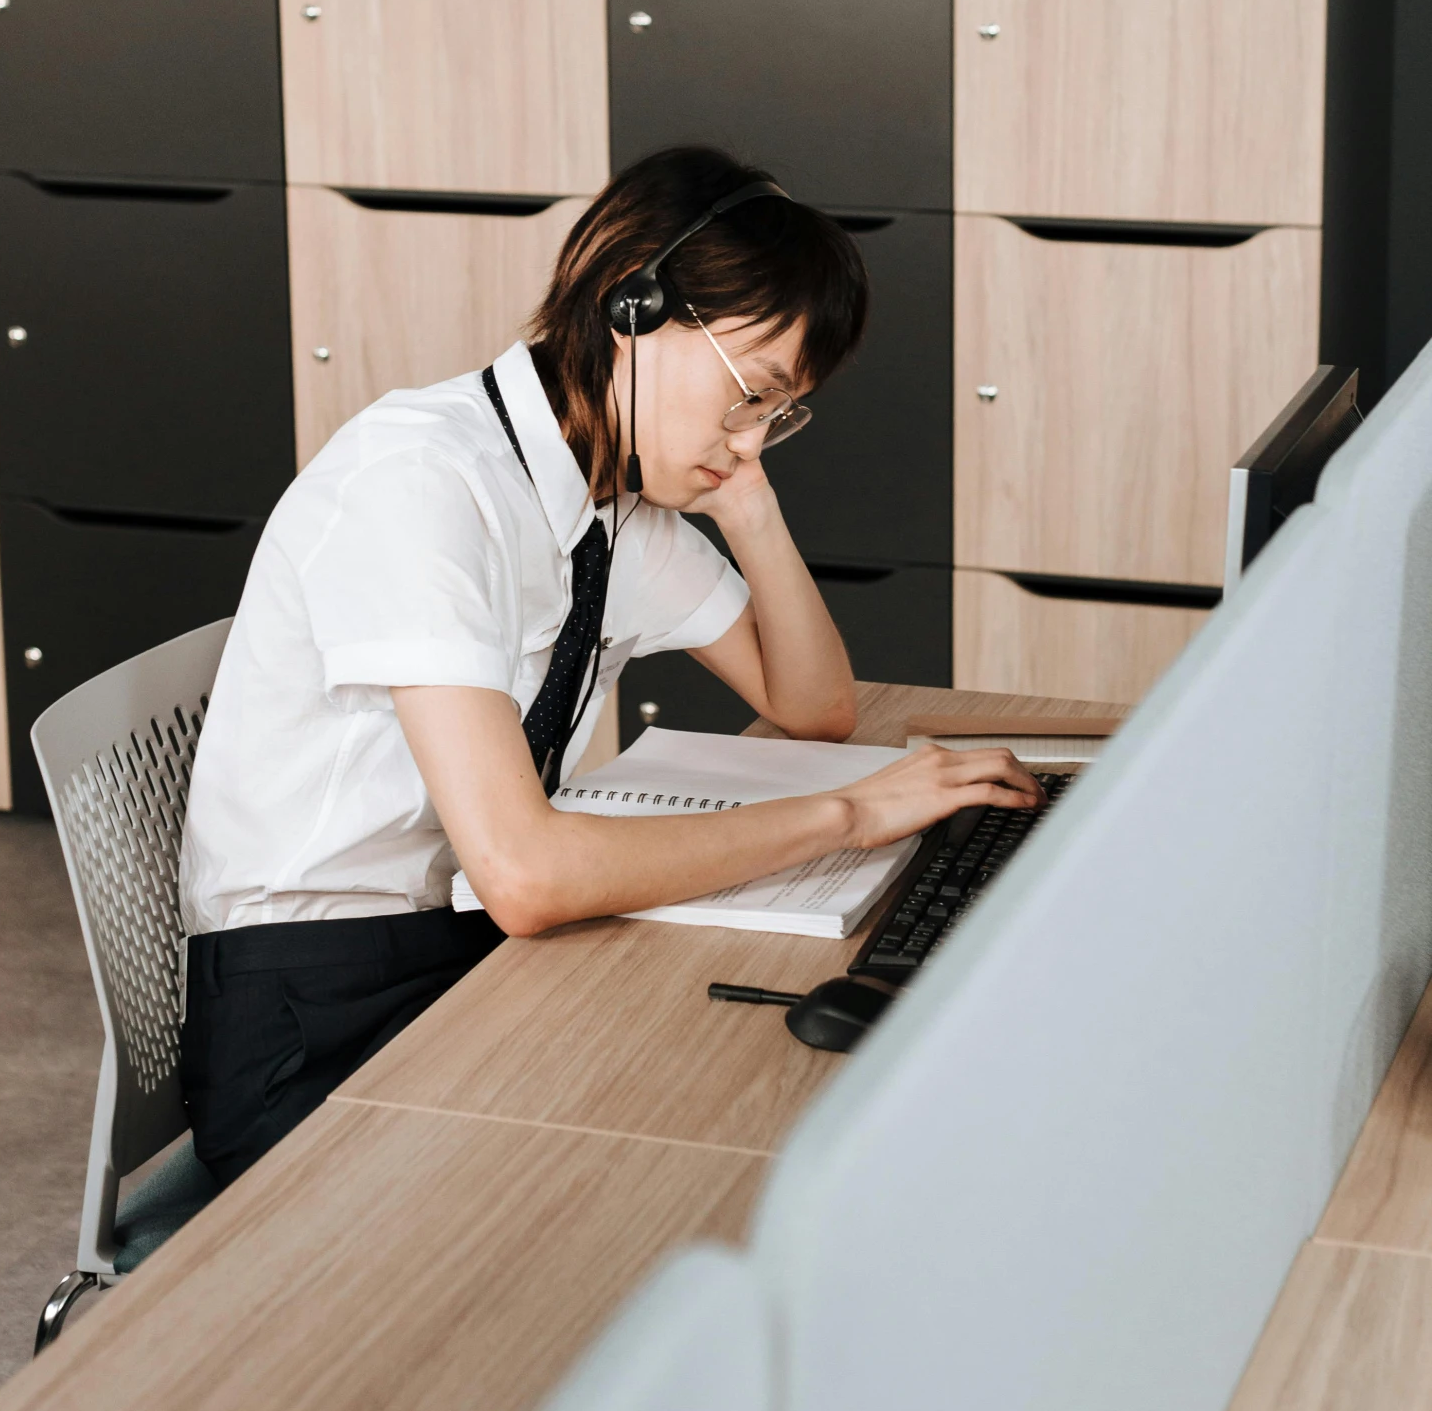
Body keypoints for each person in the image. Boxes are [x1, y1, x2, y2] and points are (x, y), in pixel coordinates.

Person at [178, 145, 1041, 1184]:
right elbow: (529, 877)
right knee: (698, 1148)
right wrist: (850, 815)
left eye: (779, 412)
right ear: (629, 307)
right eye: (749, 393)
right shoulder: (424, 480)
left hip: (455, 951)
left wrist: (746, 491)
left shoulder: (608, 495)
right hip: (309, 1018)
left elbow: (810, 705)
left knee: (759, 1096)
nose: (753, 434)